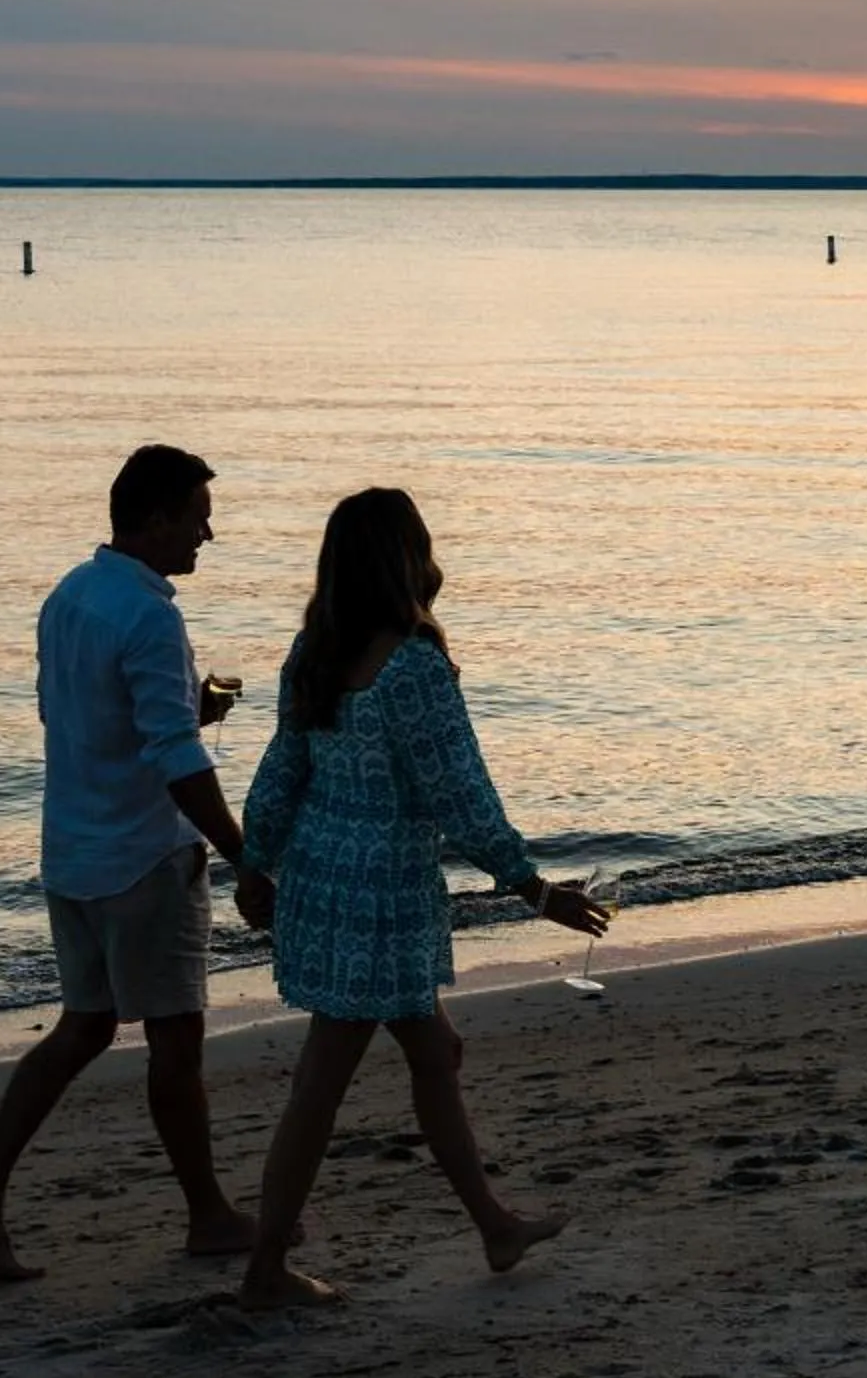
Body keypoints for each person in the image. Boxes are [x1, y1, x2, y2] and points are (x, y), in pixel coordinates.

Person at [234, 485, 610, 1311]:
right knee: (321, 1085)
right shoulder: (412, 668)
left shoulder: (315, 653)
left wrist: (257, 863)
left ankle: (494, 1224)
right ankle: (265, 1268)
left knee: (435, 1054)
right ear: (408, 558)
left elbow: (279, 774)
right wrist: (531, 886)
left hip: (323, 886)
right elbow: (461, 794)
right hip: (381, 899)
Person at [0, 443, 275, 1281]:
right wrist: (244, 858)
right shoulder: (152, 615)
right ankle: (207, 1215)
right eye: (197, 519)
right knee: (175, 1040)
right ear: (155, 518)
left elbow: (72, 712)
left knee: (84, 1026)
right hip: (143, 856)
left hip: (72, 853)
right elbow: (172, 756)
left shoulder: (69, 596)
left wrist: (193, 704)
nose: (208, 534)